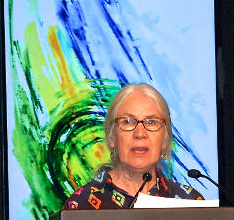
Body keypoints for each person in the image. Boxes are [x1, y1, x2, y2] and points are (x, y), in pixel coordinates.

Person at [62, 83, 203, 209]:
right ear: (112, 138)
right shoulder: (81, 206)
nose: (140, 133)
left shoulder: (190, 202)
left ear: (165, 140)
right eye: (128, 121)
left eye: (152, 122)